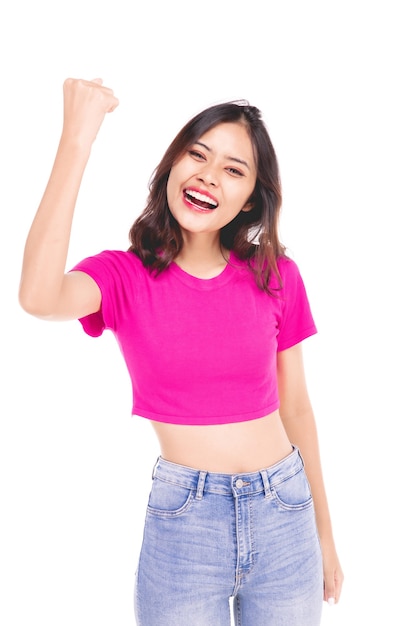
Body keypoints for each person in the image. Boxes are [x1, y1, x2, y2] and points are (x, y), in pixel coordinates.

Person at [19, 77, 343, 625]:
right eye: (197, 154)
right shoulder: (122, 277)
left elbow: (297, 411)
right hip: (186, 523)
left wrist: (324, 535)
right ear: (171, 167)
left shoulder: (276, 275)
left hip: (286, 509)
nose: (210, 175)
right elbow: (39, 296)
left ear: (249, 199)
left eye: (234, 170)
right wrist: (77, 139)